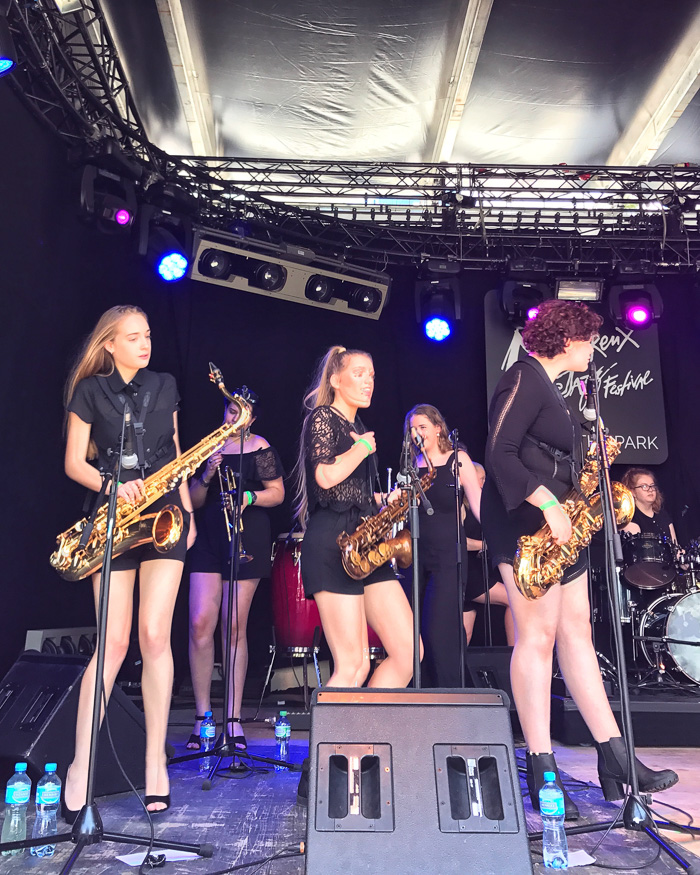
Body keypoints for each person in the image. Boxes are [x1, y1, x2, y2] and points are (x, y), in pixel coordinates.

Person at [481, 299, 678, 820]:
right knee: (538, 637)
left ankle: (616, 755)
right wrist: (547, 502)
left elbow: (547, 454)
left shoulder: (559, 390)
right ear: (566, 340)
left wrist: (590, 461)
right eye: (588, 340)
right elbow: (499, 452)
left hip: (562, 524)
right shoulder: (523, 378)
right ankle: (541, 767)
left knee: (577, 634)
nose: (593, 350)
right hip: (527, 524)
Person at [61, 305, 196, 818]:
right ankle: (81, 765)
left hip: (164, 515)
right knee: (113, 643)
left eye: (148, 335)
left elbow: (176, 453)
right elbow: (74, 463)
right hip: (113, 518)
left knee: (155, 636)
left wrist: (186, 511)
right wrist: (112, 485)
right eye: (134, 337)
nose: (145, 344)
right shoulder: (89, 391)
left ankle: (155, 764)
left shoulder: (164, 385)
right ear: (110, 344)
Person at [293, 345, 419, 689]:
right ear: (336, 380)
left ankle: (367, 724)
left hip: (365, 541)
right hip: (334, 543)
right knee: (353, 666)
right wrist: (361, 448)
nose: (369, 382)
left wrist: (384, 499)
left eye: (372, 375)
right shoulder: (322, 417)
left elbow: (347, 490)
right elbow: (325, 477)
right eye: (359, 373)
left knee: (410, 653)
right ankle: (334, 727)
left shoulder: (356, 424)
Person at [187, 400, 284, 752]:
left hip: (247, 534)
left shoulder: (260, 447)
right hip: (209, 536)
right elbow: (194, 500)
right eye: (230, 410)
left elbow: (278, 493)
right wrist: (207, 475)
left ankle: (232, 718)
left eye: (242, 412)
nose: (234, 417)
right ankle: (202, 716)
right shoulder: (209, 446)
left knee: (233, 625)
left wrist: (248, 496)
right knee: (200, 623)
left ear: (252, 418)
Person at [404, 404, 483, 686]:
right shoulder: (412, 466)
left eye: (423, 427)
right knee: (417, 632)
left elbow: (478, 506)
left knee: (439, 630)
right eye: (412, 429)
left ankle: (451, 694)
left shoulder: (457, 459)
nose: (417, 433)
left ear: (438, 428)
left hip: (449, 557)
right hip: (416, 557)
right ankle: (425, 696)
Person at [462, 462, 515, 646]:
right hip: (469, 574)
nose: (484, 483)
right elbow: (458, 542)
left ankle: (453, 665)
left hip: (478, 571)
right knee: (513, 599)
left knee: (465, 633)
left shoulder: (484, 506)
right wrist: (485, 545)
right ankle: (513, 653)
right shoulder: (460, 507)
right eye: (481, 479)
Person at [621, 468, 678, 543]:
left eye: (652, 486)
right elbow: (637, 548)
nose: (650, 489)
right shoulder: (630, 519)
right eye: (644, 486)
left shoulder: (663, 515)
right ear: (632, 492)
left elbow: (675, 545)